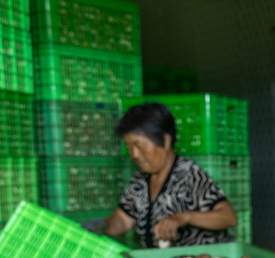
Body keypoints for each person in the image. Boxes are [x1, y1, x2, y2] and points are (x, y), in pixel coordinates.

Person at [88, 102, 238, 248]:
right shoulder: (139, 180)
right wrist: (104, 225)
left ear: (165, 141)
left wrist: (184, 217)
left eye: (139, 145)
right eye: (129, 146)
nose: (134, 154)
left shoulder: (189, 175)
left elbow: (228, 217)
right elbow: (123, 219)